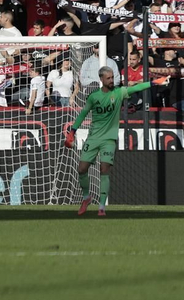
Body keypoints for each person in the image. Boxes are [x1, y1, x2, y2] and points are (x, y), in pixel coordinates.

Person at [65, 67, 157, 217]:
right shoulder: (94, 97)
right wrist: (73, 131)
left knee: (104, 169)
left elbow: (137, 87)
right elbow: (83, 114)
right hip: (93, 137)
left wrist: (153, 83)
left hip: (109, 138)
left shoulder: (118, 92)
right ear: (101, 79)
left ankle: (101, 207)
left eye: (112, 77)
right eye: (108, 78)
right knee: (82, 169)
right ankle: (86, 197)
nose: (111, 80)